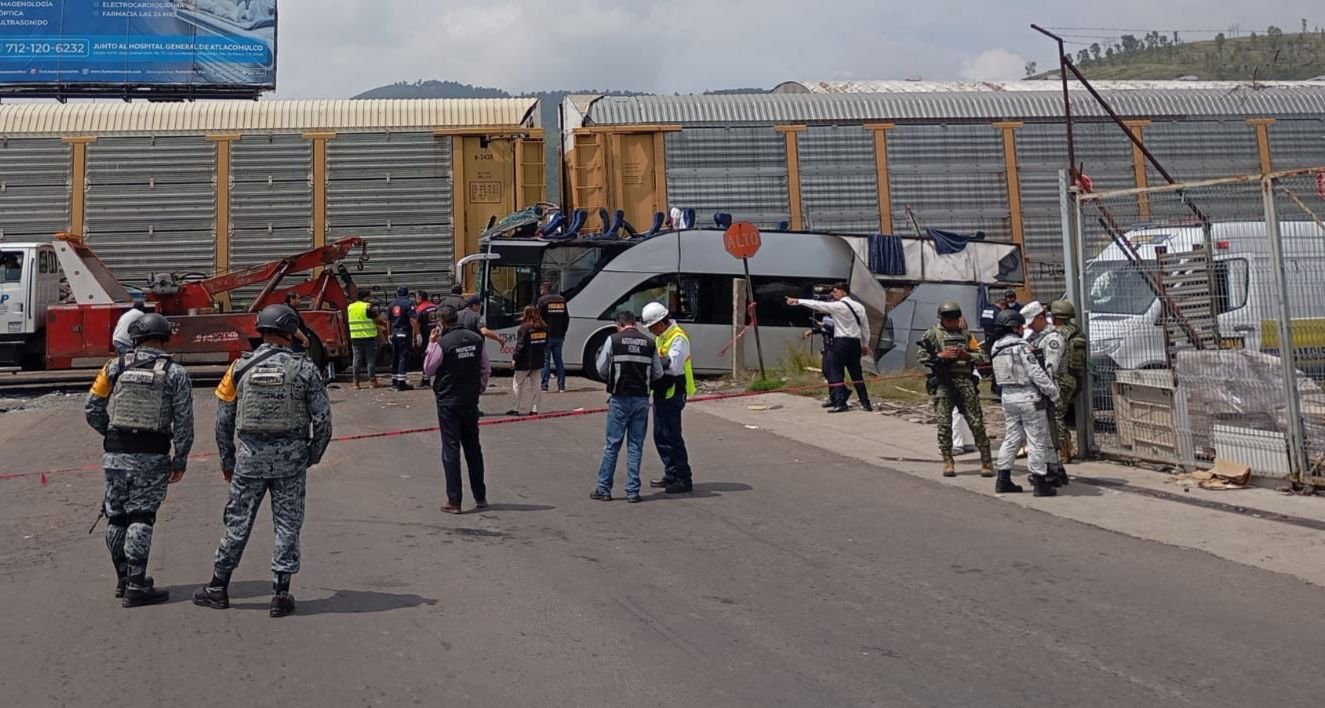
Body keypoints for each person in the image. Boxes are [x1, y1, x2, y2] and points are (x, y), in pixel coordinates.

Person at [193, 304, 333, 618]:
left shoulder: (238, 368)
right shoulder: (305, 368)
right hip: (291, 460)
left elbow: (223, 421)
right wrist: (312, 455)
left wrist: (227, 460)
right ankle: (280, 594)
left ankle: (218, 587)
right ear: (288, 330)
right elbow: (323, 420)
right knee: (287, 525)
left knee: (237, 522)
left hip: (249, 459)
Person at [85, 313, 194, 608]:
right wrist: (180, 458)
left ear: (135, 339)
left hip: (116, 454)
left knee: (117, 515)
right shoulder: (175, 373)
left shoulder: (114, 366)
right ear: (164, 339)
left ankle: (122, 579)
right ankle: (136, 584)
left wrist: (110, 434)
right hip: (152, 455)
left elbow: (92, 407)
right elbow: (184, 421)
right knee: (141, 516)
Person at [591, 310, 664, 503]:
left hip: (620, 398)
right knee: (635, 446)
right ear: (636, 324)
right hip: (641, 399)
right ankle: (632, 491)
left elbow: (601, 368)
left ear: (619, 324)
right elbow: (658, 372)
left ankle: (603, 488)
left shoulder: (613, 340)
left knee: (612, 445)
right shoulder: (649, 343)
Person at [424, 306, 491, 514]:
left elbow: (428, 369)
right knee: (473, 448)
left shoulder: (442, 344)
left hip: (448, 402)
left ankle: (454, 500)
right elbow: (485, 368)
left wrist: (431, 343)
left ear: (441, 323)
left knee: (451, 449)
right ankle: (480, 496)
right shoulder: (476, 339)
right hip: (470, 400)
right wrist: (479, 388)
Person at [917, 302, 994, 478]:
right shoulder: (932, 334)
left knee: (976, 423)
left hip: (965, 381)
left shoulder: (966, 335)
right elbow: (921, 356)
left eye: (954, 319)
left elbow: (982, 357)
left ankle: (986, 460)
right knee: (944, 424)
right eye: (948, 319)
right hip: (944, 383)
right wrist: (939, 356)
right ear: (942, 319)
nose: (952, 323)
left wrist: (966, 356)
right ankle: (948, 461)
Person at [990, 308, 1060, 497]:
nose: (1023, 328)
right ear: (1014, 327)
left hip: (1007, 397)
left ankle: (1003, 479)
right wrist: (1052, 392)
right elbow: (1035, 372)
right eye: (1021, 325)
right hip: (1029, 398)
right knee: (1037, 439)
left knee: (1012, 437)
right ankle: (1040, 482)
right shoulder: (1022, 347)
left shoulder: (995, 347)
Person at [785, 283, 873, 413]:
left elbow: (818, 304)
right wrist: (865, 344)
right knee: (857, 374)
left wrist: (797, 301)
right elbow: (865, 327)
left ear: (843, 292)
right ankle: (865, 403)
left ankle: (840, 402)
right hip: (855, 343)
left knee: (836, 372)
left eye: (835, 291)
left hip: (841, 342)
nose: (833, 294)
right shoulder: (859, 307)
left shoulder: (838, 306)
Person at [643, 302, 696, 494]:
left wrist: (655, 362)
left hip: (673, 391)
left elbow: (673, 367)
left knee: (671, 435)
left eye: (651, 327)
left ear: (660, 323)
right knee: (660, 434)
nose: (650, 331)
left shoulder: (678, 338)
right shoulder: (662, 337)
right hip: (662, 390)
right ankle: (671, 473)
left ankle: (683, 477)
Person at [1022, 301, 1069, 487]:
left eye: (1032, 321)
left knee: (1047, 431)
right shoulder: (1035, 337)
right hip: (1036, 390)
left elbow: (1050, 367)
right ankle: (1055, 469)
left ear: (1041, 317)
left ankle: (1052, 471)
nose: (1029, 325)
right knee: (1043, 432)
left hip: (1047, 390)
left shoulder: (1052, 339)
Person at [1049, 299, 1087, 463]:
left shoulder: (1057, 334)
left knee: (1056, 414)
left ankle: (1065, 450)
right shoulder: (1077, 332)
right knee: (1060, 413)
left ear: (1056, 316)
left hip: (1061, 378)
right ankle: (1068, 447)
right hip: (1074, 378)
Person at [509, 305, 548, 416]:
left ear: (526, 314)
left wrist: (514, 359)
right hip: (538, 361)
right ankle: (534, 409)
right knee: (536, 386)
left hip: (524, 361)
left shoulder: (524, 328)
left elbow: (520, 346)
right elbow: (545, 343)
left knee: (517, 384)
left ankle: (515, 408)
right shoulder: (544, 327)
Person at [538, 281, 570, 393]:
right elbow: (566, 318)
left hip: (547, 335)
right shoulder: (562, 299)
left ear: (544, 289)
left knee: (545, 361)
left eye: (541, 289)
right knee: (559, 360)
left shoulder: (542, 300)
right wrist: (563, 332)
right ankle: (561, 386)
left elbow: (539, 318)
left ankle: (544, 386)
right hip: (559, 335)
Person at [802, 306, 835, 407]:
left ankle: (838, 396)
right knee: (826, 371)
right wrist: (813, 331)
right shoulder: (826, 318)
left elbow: (835, 330)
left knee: (833, 373)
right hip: (826, 348)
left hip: (834, 348)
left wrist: (824, 325)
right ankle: (834, 395)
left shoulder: (838, 318)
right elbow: (823, 329)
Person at [347, 290, 380, 389]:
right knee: (370, 360)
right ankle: (373, 382)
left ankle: (355, 383)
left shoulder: (350, 307)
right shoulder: (367, 306)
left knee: (356, 360)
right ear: (365, 297)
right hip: (368, 337)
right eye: (369, 297)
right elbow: (376, 319)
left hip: (355, 337)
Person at [388, 285, 419, 391]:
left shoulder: (392, 304)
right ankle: (401, 382)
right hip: (405, 333)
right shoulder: (409, 304)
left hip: (395, 333)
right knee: (403, 357)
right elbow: (413, 320)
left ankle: (395, 380)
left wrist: (389, 334)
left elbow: (388, 321)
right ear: (407, 293)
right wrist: (418, 334)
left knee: (395, 357)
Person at [415, 291, 439, 388]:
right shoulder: (436, 307)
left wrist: (416, 336)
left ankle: (426, 379)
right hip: (437, 335)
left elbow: (416, 324)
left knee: (426, 357)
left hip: (425, 337)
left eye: (416, 298)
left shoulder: (420, 309)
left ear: (420, 298)